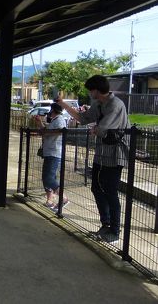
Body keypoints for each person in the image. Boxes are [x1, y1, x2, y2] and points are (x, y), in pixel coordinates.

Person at [55, 75, 130, 244]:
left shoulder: (115, 105)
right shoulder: (99, 104)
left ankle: (115, 231)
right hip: (101, 152)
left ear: (96, 90)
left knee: (110, 191)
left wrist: (96, 128)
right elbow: (84, 119)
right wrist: (62, 103)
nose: (90, 93)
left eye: (90, 90)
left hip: (115, 154)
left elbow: (102, 129)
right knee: (97, 188)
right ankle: (106, 224)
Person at [35, 103, 68, 211]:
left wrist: (46, 131)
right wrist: (40, 123)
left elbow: (55, 132)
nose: (49, 112)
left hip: (54, 153)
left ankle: (63, 198)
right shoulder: (55, 120)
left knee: (49, 178)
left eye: (50, 110)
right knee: (48, 177)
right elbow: (46, 133)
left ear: (53, 110)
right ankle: (53, 198)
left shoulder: (59, 120)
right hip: (50, 152)